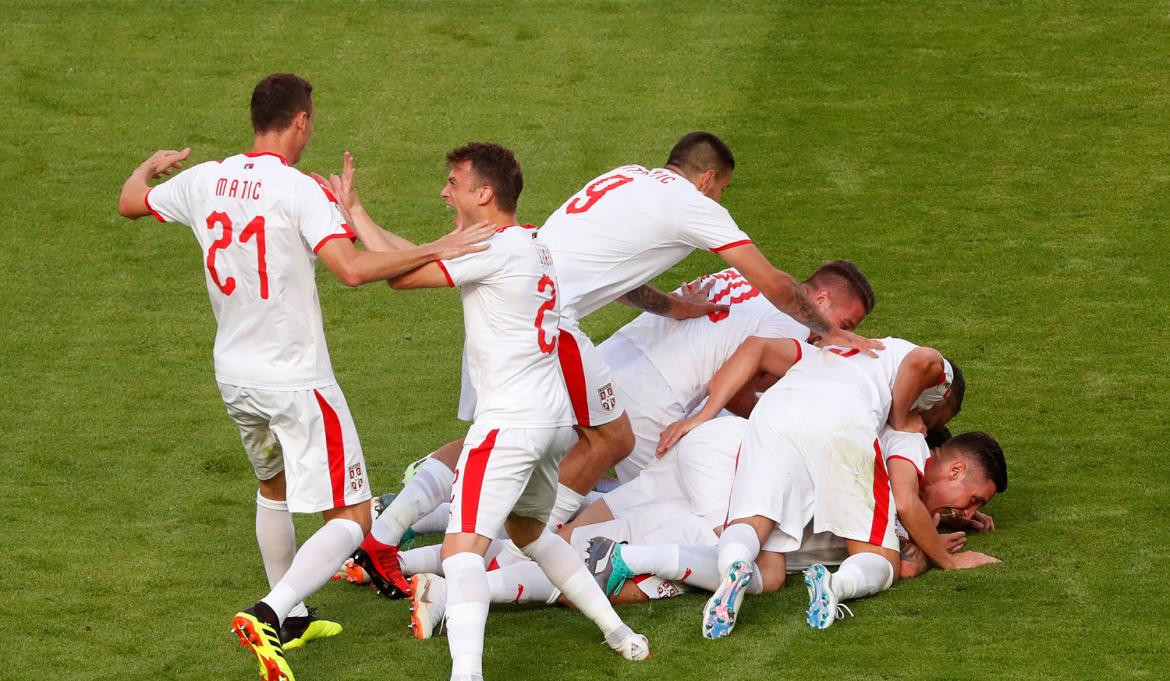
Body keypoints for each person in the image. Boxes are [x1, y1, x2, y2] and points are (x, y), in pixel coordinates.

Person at [352, 134, 884, 597]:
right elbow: (772, 284)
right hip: (550, 328)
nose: (721, 201)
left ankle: (391, 524)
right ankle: (519, 551)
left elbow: (617, 269)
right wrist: (830, 331)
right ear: (706, 179)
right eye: (722, 190)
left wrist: (678, 307)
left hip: (515, 317)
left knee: (512, 446)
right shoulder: (693, 206)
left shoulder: (625, 178)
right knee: (614, 458)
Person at [115, 73, 492, 681]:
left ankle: (289, 623)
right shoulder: (297, 190)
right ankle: (270, 611)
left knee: (275, 485)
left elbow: (130, 200)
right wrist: (438, 247)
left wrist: (150, 165)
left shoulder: (203, 178)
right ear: (301, 123)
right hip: (295, 378)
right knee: (353, 519)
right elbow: (350, 269)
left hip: (234, 374)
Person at [330, 143, 650, 681]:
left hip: (509, 423)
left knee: (460, 553)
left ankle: (467, 675)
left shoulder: (497, 249)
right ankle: (620, 633)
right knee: (532, 534)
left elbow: (403, 275)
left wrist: (423, 241)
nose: (443, 190)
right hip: (551, 422)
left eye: (452, 181)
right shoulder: (526, 244)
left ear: (484, 193)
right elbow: (416, 261)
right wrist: (358, 213)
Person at [656, 335, 998, 639]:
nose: (933, 425)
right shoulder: (918, 407)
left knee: (755, 532)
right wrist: (947, 561)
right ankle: (835, 586)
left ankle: (732, 563)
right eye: (942, 418)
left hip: (774, 412)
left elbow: (757, 346)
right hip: (843, 422)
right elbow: (925, 362)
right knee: (881, 559)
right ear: (943, 396)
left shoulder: (836, 349)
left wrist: (704, 414)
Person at [596, 260, 874, 483]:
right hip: (650, 395)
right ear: (821, 298)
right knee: (662, 500)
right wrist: (778, 426)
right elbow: (735, 394)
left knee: (578, 467)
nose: (839, 335)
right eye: (845, 325)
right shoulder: (795, 323)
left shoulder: (744, 277)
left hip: (605, 359)